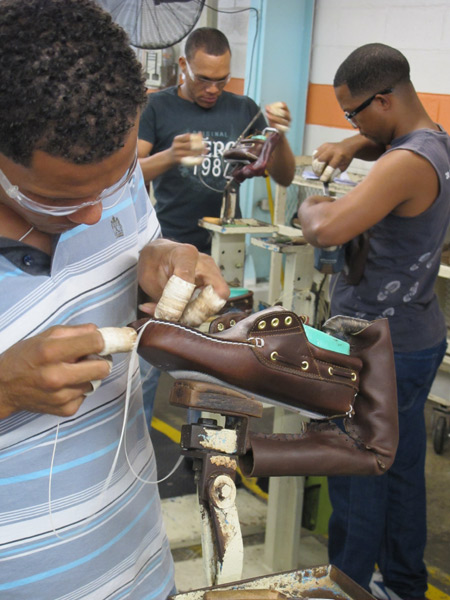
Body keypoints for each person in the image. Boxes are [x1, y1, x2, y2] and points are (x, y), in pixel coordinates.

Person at [0, 1, 229, 599]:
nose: (98, 213)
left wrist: (155, 262)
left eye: (121, 175)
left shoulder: (103, 159)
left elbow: (132, 243)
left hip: (141, 571)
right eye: (62, 199)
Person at [298, 43, 450, 600]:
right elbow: (387, 139)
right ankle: (405, 585)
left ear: (382, 100)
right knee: (402, 471)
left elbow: (328, 229)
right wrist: (353, 141)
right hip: (416, 338)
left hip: (374, 351)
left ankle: (348, 585)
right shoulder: (436, 145)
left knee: (357, 475)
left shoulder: (406, 163)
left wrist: (311, 204)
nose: (350, 125)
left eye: (353, 113)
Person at [138, 27, 296, 255]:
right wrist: (170, 156)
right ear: (184, 65)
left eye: (222, 80)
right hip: (171, 242)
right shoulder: (156, 107)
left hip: (228, 242)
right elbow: (128, 176)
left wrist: (278, 136)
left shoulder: (244, 109)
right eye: (203, 79)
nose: (213, 89)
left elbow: (285, 177)